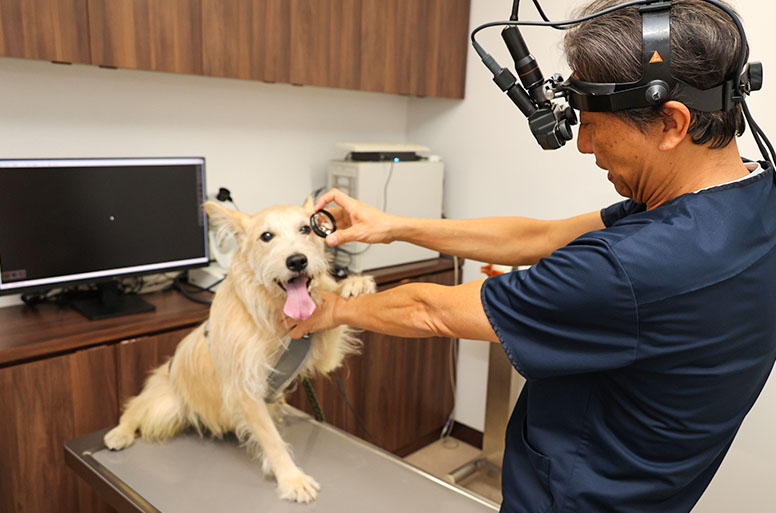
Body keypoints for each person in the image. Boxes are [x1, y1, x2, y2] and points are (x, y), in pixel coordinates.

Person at [284, 1, 776, 511]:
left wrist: (333, 309)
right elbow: (541, 236)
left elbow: (429, 312)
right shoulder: (748, 198)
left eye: (590, 125)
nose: (584, 146)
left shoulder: (628, 268)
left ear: (672, 123)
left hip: (572, 497)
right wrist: (395, 227)